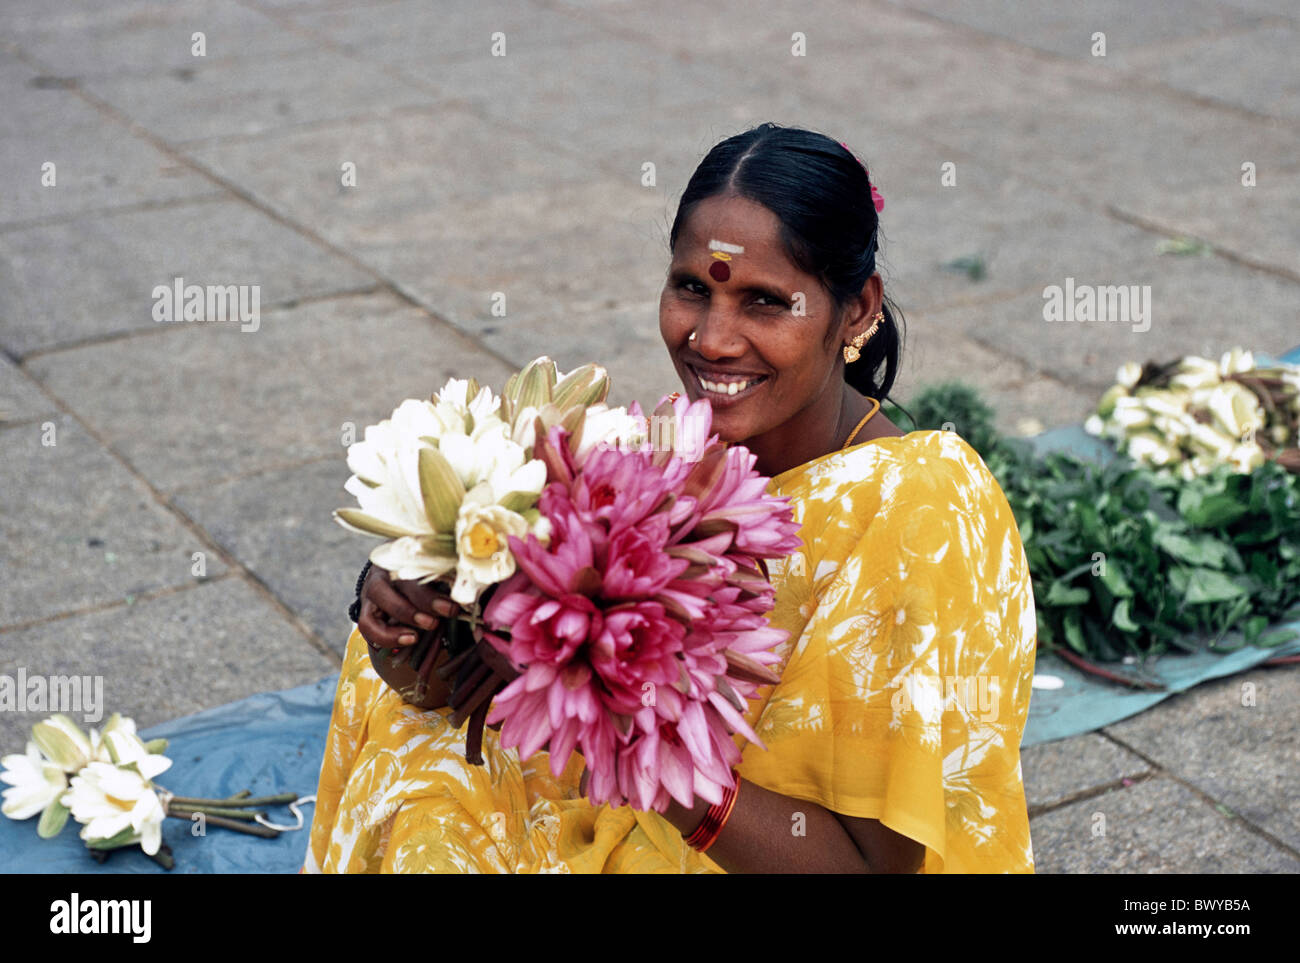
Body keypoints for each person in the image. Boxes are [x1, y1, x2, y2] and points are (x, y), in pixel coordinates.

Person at [305, 123, 1037, 874]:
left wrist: (641, 740)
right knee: (413, 760)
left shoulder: (918, 506)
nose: (713, 340)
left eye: (765, 302)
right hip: (639, 808)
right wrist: (412, 609)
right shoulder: (669, 458)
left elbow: (869, 870)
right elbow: (446, 688)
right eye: (694, 288)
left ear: (857, 310)